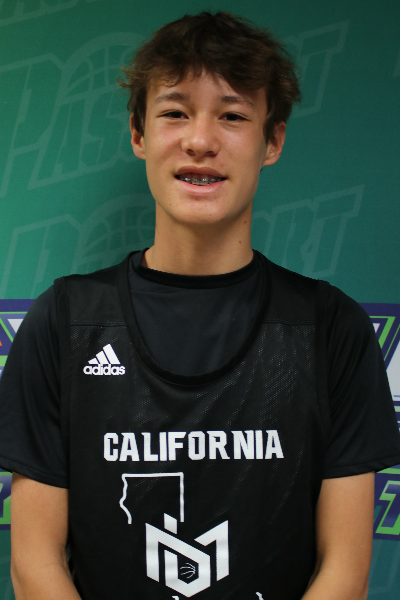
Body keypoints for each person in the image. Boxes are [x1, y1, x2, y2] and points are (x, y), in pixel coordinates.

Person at [0, 11, 399, 600]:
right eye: (175, 112)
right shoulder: (64, 323)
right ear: (138, 134)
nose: (201, 141)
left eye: (233, 116)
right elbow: (34, 564)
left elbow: (345, 571)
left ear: (272, 141)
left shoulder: (330, 328)